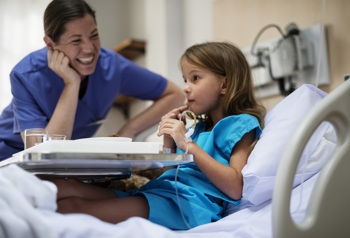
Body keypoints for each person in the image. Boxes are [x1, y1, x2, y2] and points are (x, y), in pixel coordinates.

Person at [51, 41, 266, 230]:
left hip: (188, 206)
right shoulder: (199, 127)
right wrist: (170, 142)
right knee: (63, 187)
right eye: (185, 80)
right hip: (164, 193)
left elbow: (236, 187)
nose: (186, 89)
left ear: (225, 84)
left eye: (195, 78)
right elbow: (173, 173)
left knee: (72, 207)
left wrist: (187, 143)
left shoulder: (241, 124)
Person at [0, 0, 185, 160]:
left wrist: (129, 130)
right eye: (76, 41)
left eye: (94, 36)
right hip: (9, 156)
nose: (89, 49)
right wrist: (71, 84)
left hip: (62, 163)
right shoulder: (26, 75)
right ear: (50, 44)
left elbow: (174, 94)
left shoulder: (111, 66)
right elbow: (41, 154)